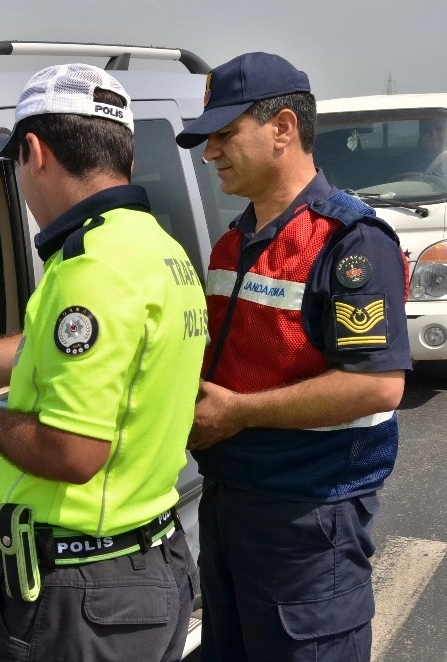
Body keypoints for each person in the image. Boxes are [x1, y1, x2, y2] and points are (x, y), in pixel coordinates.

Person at [0, 64, 207, 661]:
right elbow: (48, 353)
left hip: (85, 594)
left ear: (34, 152)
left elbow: (73, 453)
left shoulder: (90, 271)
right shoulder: (155, 250)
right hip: (143, 567)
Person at [175, 52, 411, 661]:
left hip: (308, 521)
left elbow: (377, 386)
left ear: (283, 128)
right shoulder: (236, 239)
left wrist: (238, 414)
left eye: (225, 135)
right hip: (230, 505)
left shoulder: (351, 241)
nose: (210, 153)